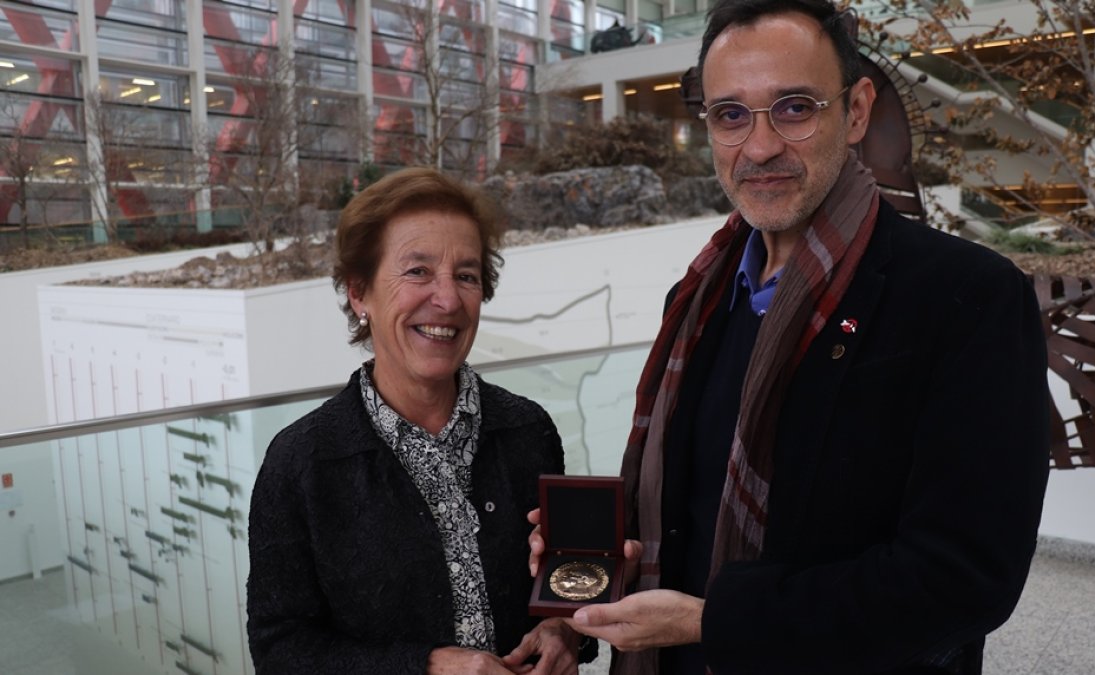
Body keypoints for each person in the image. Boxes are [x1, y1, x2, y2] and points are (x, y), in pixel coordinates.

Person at [529, 0, 1051, 672]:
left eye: (795, 108)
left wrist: (714, 622)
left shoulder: (966, 297)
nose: (760, 146)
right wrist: (590, 571)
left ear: (856, 111)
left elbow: (964, 579)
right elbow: (684, 521)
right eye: (730, 114)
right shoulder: (696, 300)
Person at [247, 167, 589, 675]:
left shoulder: (528, 430)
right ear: (359, 292)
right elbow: (280, 650)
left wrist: (566, 629)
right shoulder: (302, 462)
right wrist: (426, 667)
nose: (447, 300)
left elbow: (565, 582)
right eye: (417, 272)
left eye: (466, 276)